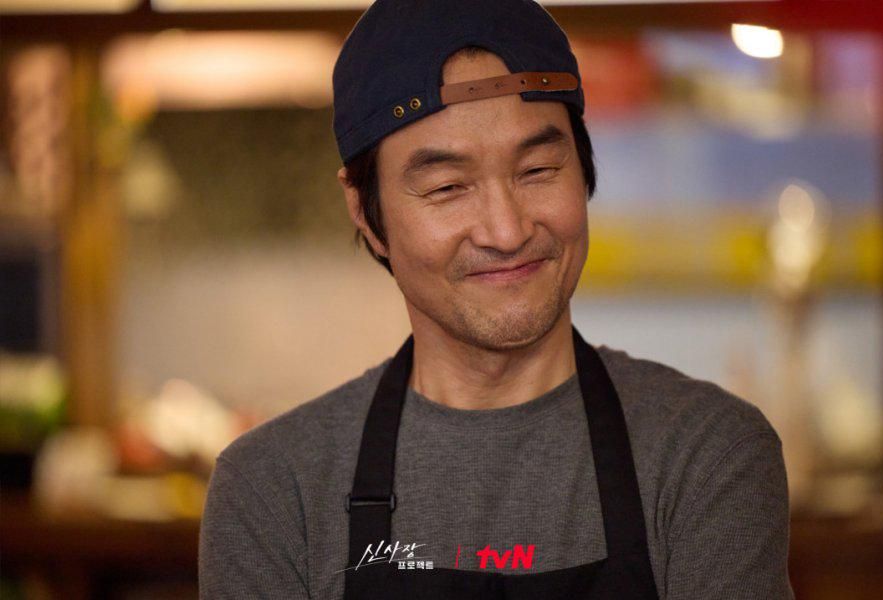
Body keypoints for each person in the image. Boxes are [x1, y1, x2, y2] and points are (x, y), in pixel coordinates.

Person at [198, 1, 793, 598]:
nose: (506, 232)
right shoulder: (275, 491)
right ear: (366, 213)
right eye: (447, 187)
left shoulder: (706, 456)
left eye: (538, 170)